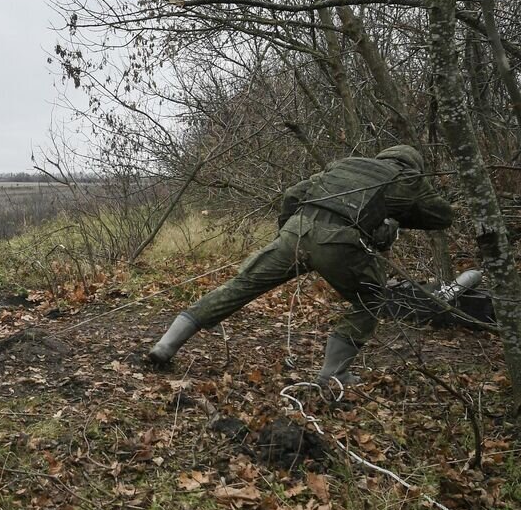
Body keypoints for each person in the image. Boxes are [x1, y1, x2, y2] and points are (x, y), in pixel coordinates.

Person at [146, 145, 453, 385]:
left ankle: (166, 344)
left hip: (295, 231)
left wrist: (286, 231)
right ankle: (333, 374)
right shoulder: (407, 178)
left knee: (240, 286)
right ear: (413, 165)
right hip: (339, 242)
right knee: (371, 299)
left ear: (383, 156)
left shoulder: (343, 166)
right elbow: (441, 216)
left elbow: (294, 194)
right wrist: (398, 216)